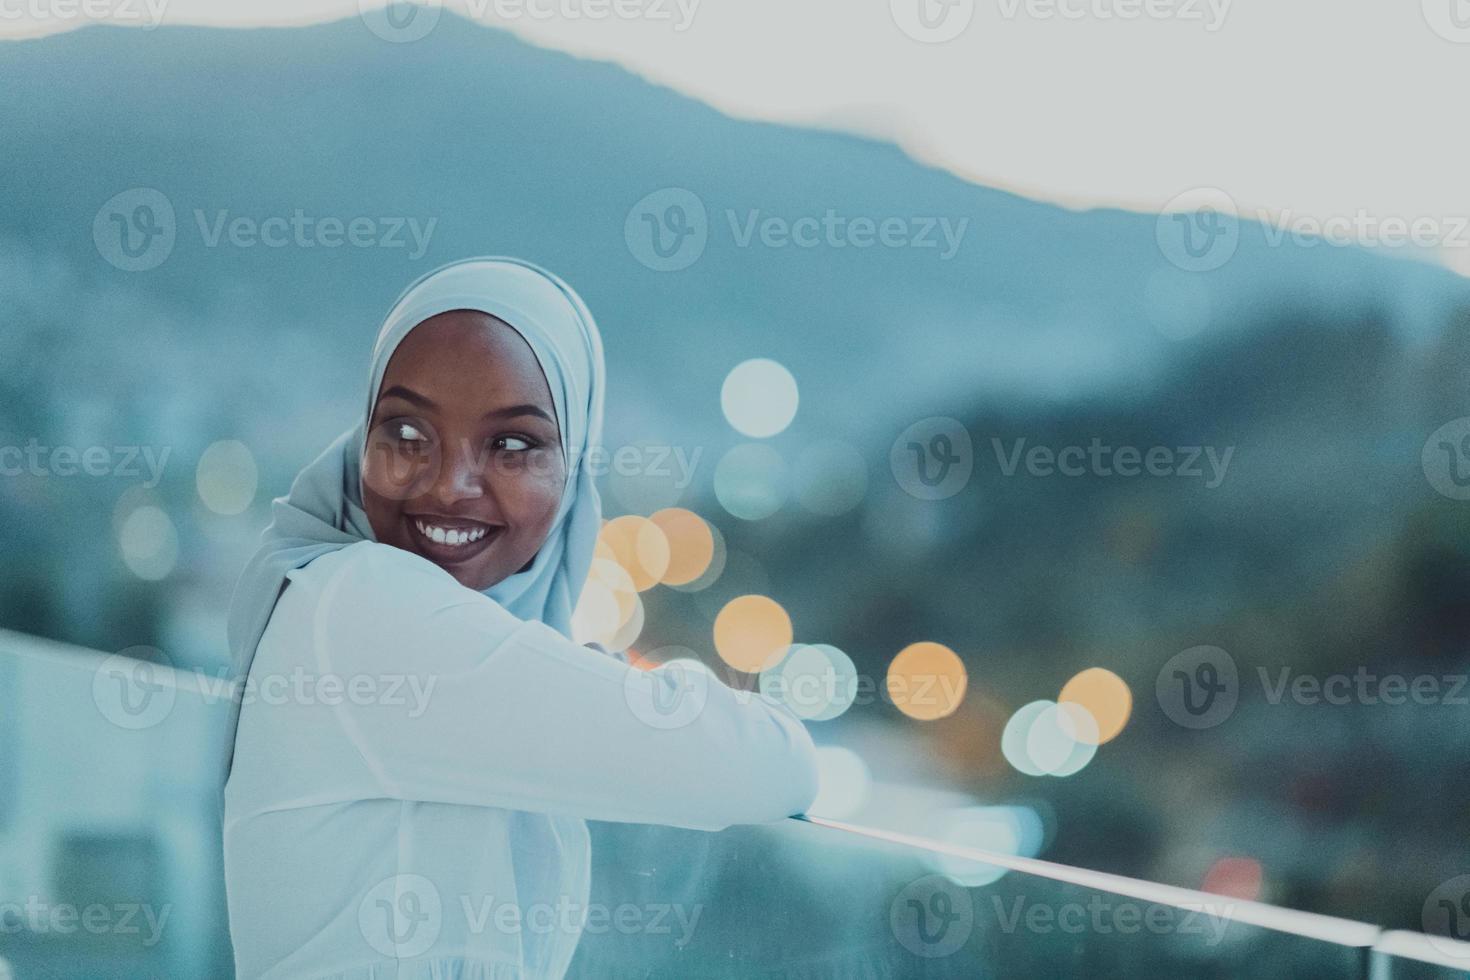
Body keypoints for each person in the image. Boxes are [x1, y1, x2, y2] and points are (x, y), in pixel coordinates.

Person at [221, 257, 819, 979]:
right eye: (407, 433)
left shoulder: (374, 613)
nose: (450, 484)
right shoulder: (359, 608)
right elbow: (767, 764)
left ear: (574, 468)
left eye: (512, 444)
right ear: (360, 442)